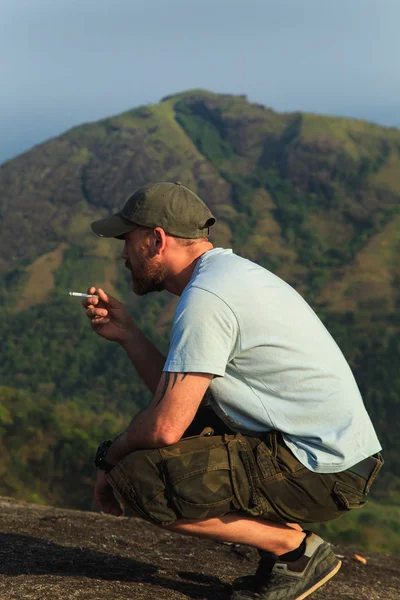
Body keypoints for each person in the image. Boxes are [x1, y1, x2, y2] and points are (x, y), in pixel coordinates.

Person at [84, 181, 383, 600]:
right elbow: (181, 403)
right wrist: (129, 334)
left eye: (127, 240)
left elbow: (165, 428)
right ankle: (283, 548)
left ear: (156, 240)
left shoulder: (208, 298)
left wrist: (109, 456)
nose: (122, 254)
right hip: (334, 457)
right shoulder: (226, 276)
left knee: (138, 479)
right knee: (167, 441)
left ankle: (295, 549)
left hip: (323, 470)